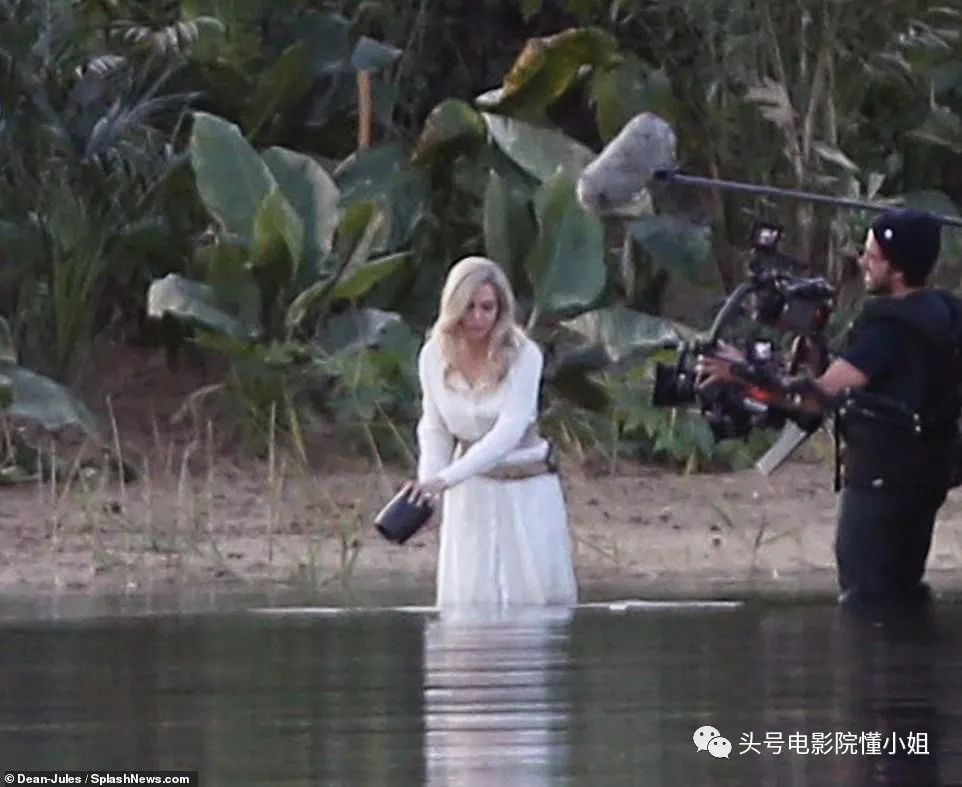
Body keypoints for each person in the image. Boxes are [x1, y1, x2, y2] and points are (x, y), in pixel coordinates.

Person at [699, 209, 958, 605]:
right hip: (925, 474)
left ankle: (878, 644)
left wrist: (738, 372)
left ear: (897, 268)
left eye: (872, 256)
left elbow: (814, 396)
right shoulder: (943, 312)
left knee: (866, 593)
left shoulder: (889, 329)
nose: (863, 262)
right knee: (903, 587)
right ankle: (913, 645)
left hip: (884, 482)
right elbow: (875, 379)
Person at [405, 256, 579, 608]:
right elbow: (434, 427)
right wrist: (428, 489)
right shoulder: (433, 355)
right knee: (471, 594)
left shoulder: (524, 355)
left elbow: (509, 431)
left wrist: (445, 479)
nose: (478, 318)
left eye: (487, 307)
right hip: (470, 490)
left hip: (525, 486)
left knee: (531, 595)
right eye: (468, 307)